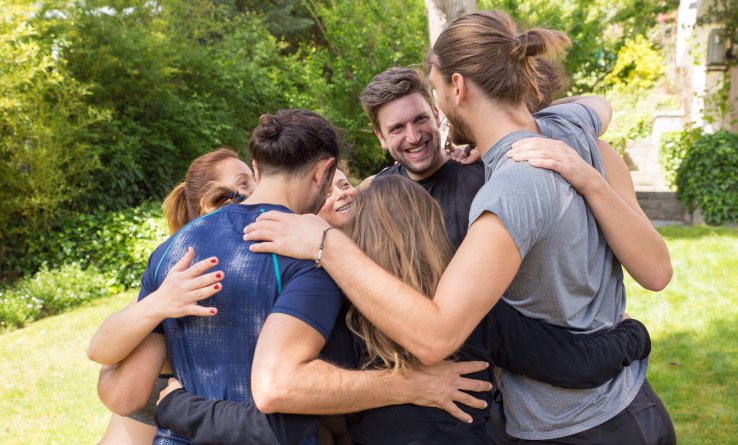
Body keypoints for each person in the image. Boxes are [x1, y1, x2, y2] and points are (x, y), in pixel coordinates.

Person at [244, 11, 676, 445]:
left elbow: (440, 335)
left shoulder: (506, 188)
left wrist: (326, 244)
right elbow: (600, 107)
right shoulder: (568, 129)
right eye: (396, 128)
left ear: (456, 88)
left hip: (577, 421)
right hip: (627, 402)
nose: (415, 134)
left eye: (430, 100)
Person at [89, 110, 492, 445]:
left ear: (257, 167)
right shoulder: (308, 255)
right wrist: (410, 384)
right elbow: (285, 390)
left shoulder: (172, 250)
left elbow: (125, 389)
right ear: (323, 172)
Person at [92, 147, 256, 445]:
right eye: (244, 183)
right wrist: (158, 304)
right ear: (212, 203)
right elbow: (104, 362)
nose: (257, 190)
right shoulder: (181, 274)